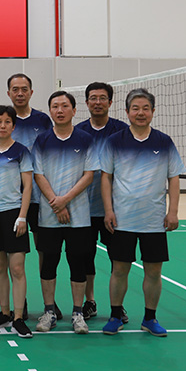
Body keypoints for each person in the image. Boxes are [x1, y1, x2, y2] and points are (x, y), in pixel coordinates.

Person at [101, 89, 185, 337]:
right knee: (119, 270)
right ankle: (115, 316)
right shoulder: (114, 141)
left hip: (154, 220)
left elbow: (174, 178)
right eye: (135, 108)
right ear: (127, 112)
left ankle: (150, 318)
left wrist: (173, 212)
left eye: (145, 108)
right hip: (122, 219)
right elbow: (106, 177)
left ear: (153, 112)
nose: (140, 113)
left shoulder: (164, 141)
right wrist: (108, 210)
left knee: (154, 272)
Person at [0, 73, 54, 321]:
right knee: (7, 262)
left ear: (31, 92)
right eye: (15, 89)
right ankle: (19, 305)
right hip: (6, 203)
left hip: (39, 197)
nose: (19, 93)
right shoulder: (0, 123)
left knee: (43, 250)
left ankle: (49, 305)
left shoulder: (43, 120)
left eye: (24, 89)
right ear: (8, 93)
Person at [33, 91, 96, 335]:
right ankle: (49, 311)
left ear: (74, 110)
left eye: (64, 106)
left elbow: (89, 175)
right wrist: (56, 203)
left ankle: (78, 313)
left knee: (77, 263)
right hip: (49, 216)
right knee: (48, 263)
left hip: (79, 216)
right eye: (55, 106)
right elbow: (38, 175)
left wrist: (65, 200)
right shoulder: (42, 140)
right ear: (50, 111)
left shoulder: (86, 139)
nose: (60, 110)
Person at [74, 82, 128, 323]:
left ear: (110, 102)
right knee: (86, 257)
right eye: (93, 98)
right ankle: (90, 301)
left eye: (102, 98)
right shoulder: (78, 132)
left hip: (114, 210)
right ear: (86, 102)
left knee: (118, 259)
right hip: (84, 209)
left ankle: (118, 306)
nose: (97, 102)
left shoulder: (122, 131)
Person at [0, 105, 33, 338]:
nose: (3, 125)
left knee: (17, 268)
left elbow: (28, 186)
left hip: (14, 213)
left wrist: (22, 216)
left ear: (13, 126)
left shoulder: (21, 151)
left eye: (7, 122)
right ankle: (4, 312)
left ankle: (18, 318)